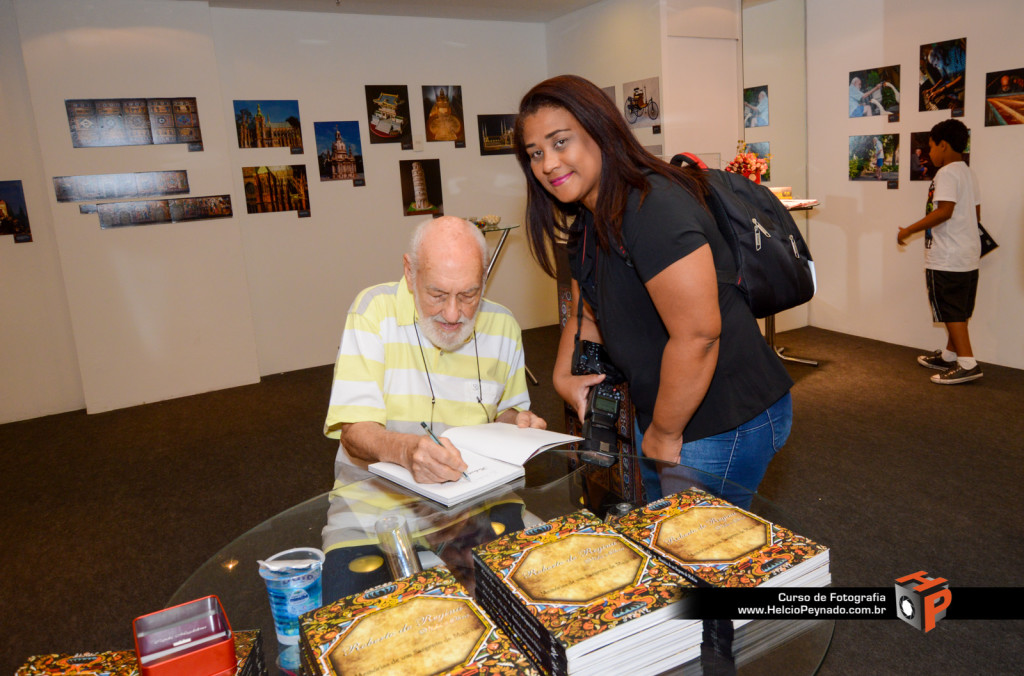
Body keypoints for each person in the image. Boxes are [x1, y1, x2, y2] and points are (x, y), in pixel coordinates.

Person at [514, 74, 793, 508]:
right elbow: (586, 312)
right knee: (671, 545)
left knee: (699, 560)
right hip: (668, 411)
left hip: (721, 417)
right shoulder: (587, 221)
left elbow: (698, 335)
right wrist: (563, 375)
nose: (548, 163)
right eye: (535, 153)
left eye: (560, 142)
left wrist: (664, 433)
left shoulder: (651, 206)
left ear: (600, 132)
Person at [321, 215, 545, 599]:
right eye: (438, 295)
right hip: (372, 511)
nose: (454, 314)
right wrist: (408, 451)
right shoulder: (373, 312)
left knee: (535, 604)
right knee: (359, 633)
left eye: (469, 294)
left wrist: (516, 422)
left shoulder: (504, 325)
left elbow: (504, 413)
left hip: (475, 504)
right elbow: (355, 432)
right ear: (409, 273)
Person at [897, 119, 982, 385]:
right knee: (957, 307)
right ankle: (950, 354)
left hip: (947, 256)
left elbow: (944, 211)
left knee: (950, 309)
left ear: (943, 145)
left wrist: (908, 230)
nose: (930, 153)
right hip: (967, 253)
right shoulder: (967, 172)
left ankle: (967, 363)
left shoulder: (945, 173)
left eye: (931, 147)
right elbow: (975, 214)